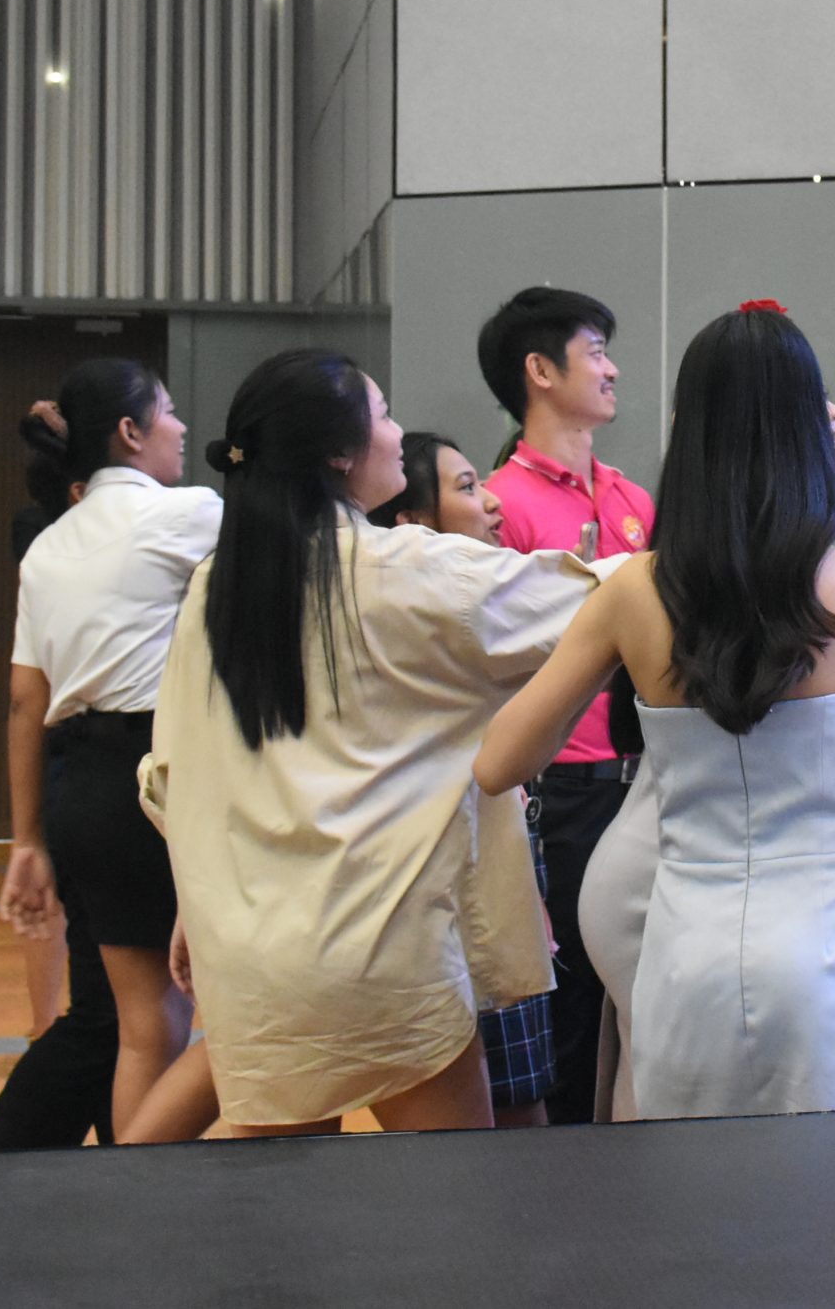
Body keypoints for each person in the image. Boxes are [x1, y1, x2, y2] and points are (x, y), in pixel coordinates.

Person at [481, 307, 835, 1121]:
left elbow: (498, 764)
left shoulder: (632, 592)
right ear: (802, 434)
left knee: (694, 1189)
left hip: (687, 955)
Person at [141, 350, 600, 1137]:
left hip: (250, 952)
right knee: (447, 1199)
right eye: (384, 415)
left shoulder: (217, 588)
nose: (396, 432)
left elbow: (174, 776)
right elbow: (591, 604)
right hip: (379, 949)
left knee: (279, 1200)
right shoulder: (401, 569)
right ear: (338, 454)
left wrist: (197, 901)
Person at [0, 363, 216, 1149]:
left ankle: (129, 1192)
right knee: (172, 1020)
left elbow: (26, 700)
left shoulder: (48, 548)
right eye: (168, 412)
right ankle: (146, 1187)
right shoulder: (187, 513)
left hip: (74, 783)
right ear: (130, 432)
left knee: (138, 1024)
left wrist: (28, 839)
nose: (182, 427)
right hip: (149, 779)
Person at [474, 287, 656, 1124]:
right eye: (595, 352)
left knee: (641, 1001)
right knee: (573, 1013)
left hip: (644, 778)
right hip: (561, 793)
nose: (612, 369)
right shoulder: (497, 505)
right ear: (540, 372)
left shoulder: (631, 500)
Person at [366, 431, 557, 1128]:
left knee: (518, 1098)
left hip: (486, 869)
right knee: (510, 1106)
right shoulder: (436, 606)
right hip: (457, 889)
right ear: (414, 525)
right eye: (469, 487)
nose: (492, 503)